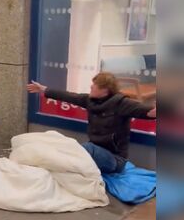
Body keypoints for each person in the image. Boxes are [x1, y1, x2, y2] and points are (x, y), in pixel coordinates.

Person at [27, 72, 156, 174]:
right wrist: (43, 89)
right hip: (95, 151)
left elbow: (145, 112)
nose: (91, 87)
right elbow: (68, 96)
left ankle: (55, 166)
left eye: (95, 85)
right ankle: (48, 165)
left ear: (105, 90)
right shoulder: (90, 100)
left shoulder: (121, 104)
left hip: (115, 160)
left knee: (86, 149)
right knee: (68, 145)